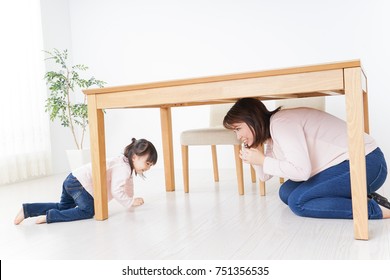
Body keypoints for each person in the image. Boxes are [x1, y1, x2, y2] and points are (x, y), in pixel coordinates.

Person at [223, 98, 389, 219]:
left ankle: (376, 210)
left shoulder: (281, 124)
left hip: (366, 162)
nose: (238, 136)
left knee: (298, 202)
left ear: (252, 120)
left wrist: (261, 161)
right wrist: (256, 156)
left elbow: (302, 172)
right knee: (286, 192)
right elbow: (264, 176)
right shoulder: (272, 135)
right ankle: (366, 196)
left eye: (238, 129)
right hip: (345, 165)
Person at [14, 138, 158, 224]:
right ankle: (50, 217)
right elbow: (116, 190)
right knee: (88, 211)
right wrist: (130, 202)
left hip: (72, 179)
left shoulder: (124, 164)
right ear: (135, 157)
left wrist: (131, 200)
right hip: (81, 184)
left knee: (64, 206)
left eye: (151, 165)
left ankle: (28, 210)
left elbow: (127, 185)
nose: (149, 167)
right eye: (147, 163)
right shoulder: (124, 168)